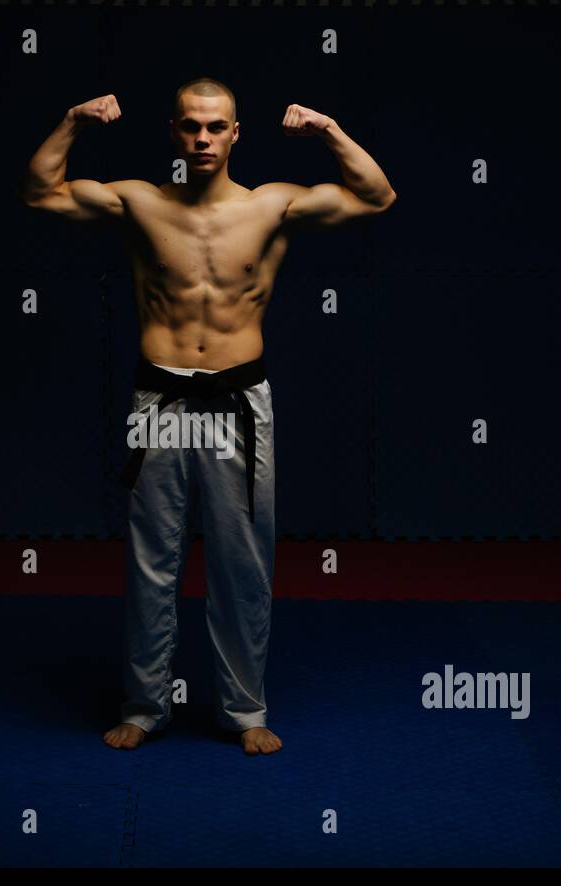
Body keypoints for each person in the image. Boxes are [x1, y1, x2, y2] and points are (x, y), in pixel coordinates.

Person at [20, 78, 396, 754]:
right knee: (151, 560)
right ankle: (145, 704)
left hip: (237, 399)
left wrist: (328, 129)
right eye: (191, 126)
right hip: (158, 397)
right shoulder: (141, 202)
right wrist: (73, 119)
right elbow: (41, 191)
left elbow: (377, 195)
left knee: (242, 560)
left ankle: (243, 709)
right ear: (173, 131)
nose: (202, 139)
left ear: (235, 134)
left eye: (215, 127)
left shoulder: (271, 206)